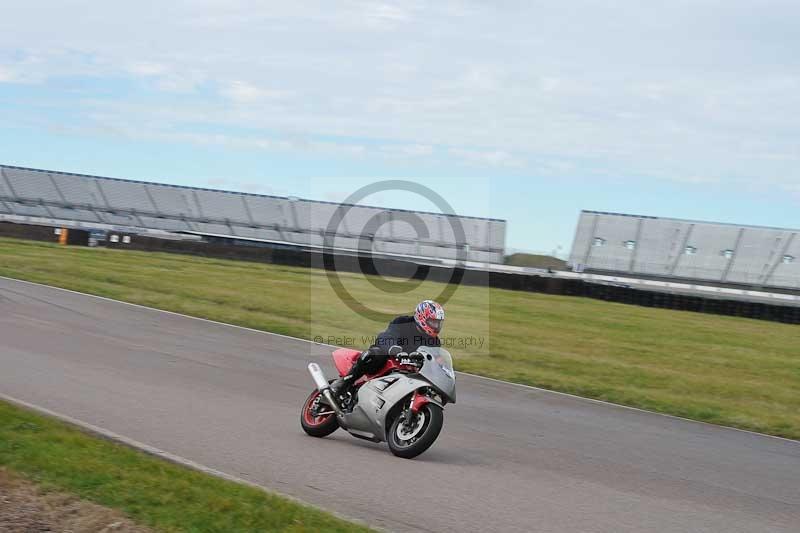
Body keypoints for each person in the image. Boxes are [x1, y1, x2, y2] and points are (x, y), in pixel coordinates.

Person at [330, 300, 445, 395]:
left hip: (409, 371)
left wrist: (442, 369)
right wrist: (393, 349)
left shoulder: (434, 341)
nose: (436, 326)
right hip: (389, 360)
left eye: (438, 323)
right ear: (422, 318)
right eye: (433, 322)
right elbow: (387, 336)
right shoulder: (402, 322)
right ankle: (345, 383)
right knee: (375, 354)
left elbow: (435, 359)